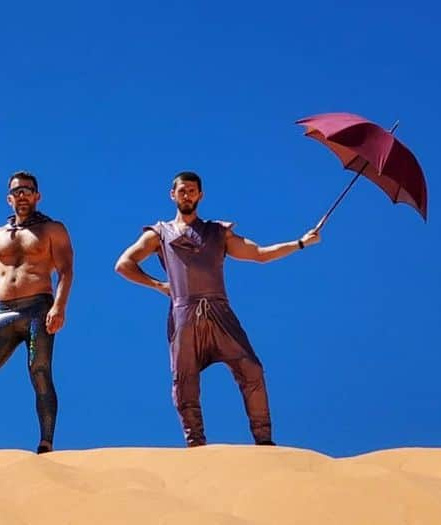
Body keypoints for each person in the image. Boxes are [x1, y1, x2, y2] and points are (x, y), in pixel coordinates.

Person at [115, 171, 319, 447]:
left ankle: (265, 443)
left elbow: (259, 254)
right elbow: (123, 264)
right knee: (184, 380)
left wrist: (300, 243)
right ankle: (196, 445)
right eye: (182, 190)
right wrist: (158, 285)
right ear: (172, 195)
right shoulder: (159, 233)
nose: (187, 195)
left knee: (252, 370)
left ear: (201, 195)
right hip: (183, 312)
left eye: (192, 191)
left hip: (219, 310)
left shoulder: (217, 231)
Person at [0, 172, 74, 453]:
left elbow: (65, 271)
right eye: (17, 191)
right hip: (4, 311)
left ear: (37, 196)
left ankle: (46, 440)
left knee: (39, 369)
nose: (22, 195)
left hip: (39, 307)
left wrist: (59, 306)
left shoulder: (52, 229)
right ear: (9, 198)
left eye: (28, 190)